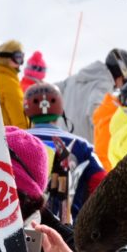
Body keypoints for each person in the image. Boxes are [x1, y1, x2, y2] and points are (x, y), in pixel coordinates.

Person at [24, 81, 107, 222]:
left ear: (27, 111)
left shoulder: (11, 140)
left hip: (19, 230)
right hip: (67, 232)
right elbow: (101, 182)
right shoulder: (81, 145)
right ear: (60, 110)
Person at [58, 48, 127, 142]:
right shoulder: (105, 84)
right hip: (82, 146)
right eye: (125, 81)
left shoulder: (74, 78)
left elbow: (53, 90)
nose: (122, 87)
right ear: (120, 74)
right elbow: (95, 111)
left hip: (63, 140)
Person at [0, 40, 29, 128]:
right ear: (6, 58)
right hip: (9, 137)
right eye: (18, 57)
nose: (21, 62)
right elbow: (20, 121)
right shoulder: (9, 83)